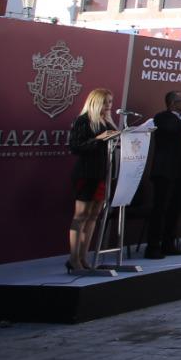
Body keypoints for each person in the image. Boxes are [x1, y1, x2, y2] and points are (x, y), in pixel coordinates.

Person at [66, 88, 118, 271]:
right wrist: (98, 139)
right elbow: (75, 147)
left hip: (103, 173)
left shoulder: (108, 122)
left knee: (94, 215)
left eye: (110, 102)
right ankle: (74, 259)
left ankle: (83, 257)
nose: (109, 106)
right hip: (87, 173)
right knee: (81, 215)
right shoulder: (83, 120)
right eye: (105, 102)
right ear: (95, 102)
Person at [146, 90, 181, 259]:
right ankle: (153, 247)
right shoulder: (162, 117)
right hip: (165, 171)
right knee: (160, 209)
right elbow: (171, 128)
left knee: (176, 209)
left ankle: (169, 244)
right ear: (172, 104)